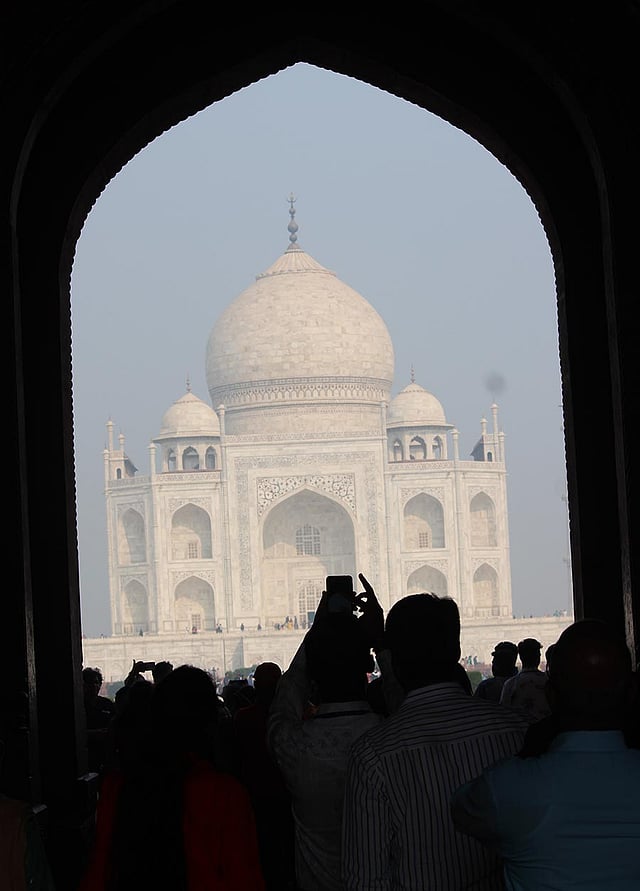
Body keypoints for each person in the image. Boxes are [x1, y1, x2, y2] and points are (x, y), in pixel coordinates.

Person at [342, 592, 528, 891]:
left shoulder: (373, 756)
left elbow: (366, 880)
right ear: (456, 650)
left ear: (396, 660)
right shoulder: (517, 730)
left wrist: (381, 646)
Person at [452, 619, 640, 890]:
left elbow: (459, 811)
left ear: (551, 695)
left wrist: (528, 753)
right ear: (632, 693)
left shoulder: (510, 787)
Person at [79, 665, 265, 891]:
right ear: (209, 722)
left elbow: (99, 873)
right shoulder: (223, 794)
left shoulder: (117, 789)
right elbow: (243, 878)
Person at [268, 574, 384, 891]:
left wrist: (317, 635)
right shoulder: (394, 735)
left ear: (314, 679)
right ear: (367, 669)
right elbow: (412, 707)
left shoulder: (293, 745)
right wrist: (381, 640)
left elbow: (287, 694)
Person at [234, 662, 295, 890]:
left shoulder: (243, 718)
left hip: (256, 800)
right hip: (286, 798)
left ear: (256, 686)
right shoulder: (292, 717)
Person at [499, 638, 551, 723]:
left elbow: (503, 713)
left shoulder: (511, 684)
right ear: (538, 656)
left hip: (520, 731)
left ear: (521, 657)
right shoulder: (549, 681)